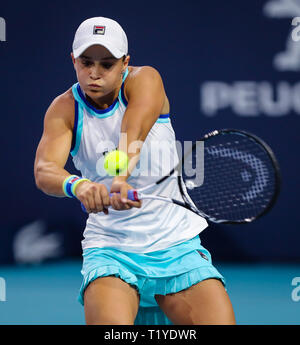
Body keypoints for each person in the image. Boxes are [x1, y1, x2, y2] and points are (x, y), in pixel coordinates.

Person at [34, 16, 235, 325]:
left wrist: (119, 179)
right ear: (73, 60)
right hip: (112, 249)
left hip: (176, 244)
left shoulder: (146, 79)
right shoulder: (63, 109)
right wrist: (80, 186)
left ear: (125, 62)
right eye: (86, 62)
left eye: (107, 64)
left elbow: (133, 132)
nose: (94, 73)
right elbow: (45, 170)